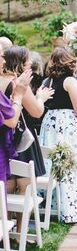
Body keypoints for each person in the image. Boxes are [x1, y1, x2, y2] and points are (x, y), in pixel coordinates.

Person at [39, 47, 77, 223]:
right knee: (72, 163)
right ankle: (71, 210)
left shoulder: (47, 81)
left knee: (53, 163)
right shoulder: (70, 81)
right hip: (68, 125)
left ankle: (53, 206)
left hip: (51, 123)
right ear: (69, 62)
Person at [0, 44, 31, 188]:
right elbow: (11, 120)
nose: (4, 61)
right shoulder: (11, 82)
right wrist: (18, 96)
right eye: (1, 57)